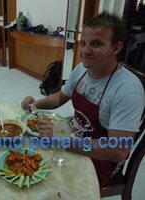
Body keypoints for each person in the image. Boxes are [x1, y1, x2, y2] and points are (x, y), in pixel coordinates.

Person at [21, 12, 145, 188]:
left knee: (45, 184)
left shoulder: (128, 90)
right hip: (72, 137)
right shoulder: (81, 70)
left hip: (101, 160)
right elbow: (60, 97)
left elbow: (118, 151)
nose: (86, 51)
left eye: (96, 44)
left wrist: (63, 140)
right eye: (83, 43)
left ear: (116, 48)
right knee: (25, 160)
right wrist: (35, 104)